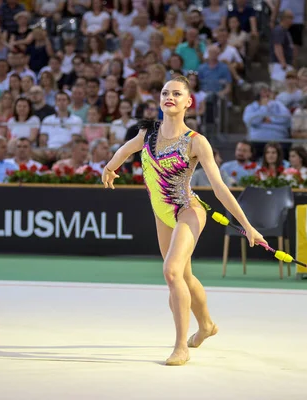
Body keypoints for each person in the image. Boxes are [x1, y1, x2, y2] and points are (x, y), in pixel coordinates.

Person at [101, 76, 267, 366]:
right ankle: (206, 326)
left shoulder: (196, 142)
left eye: (177, 93)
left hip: (187, 210)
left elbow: (219, 187)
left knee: (172, 272)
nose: (170, 97)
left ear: (189, 102)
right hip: (161, 212)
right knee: (185, 278)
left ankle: (181, 346)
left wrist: (247, 225)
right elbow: (125, 150)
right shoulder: (148, 134)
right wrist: (109, 167)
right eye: (165, 92)